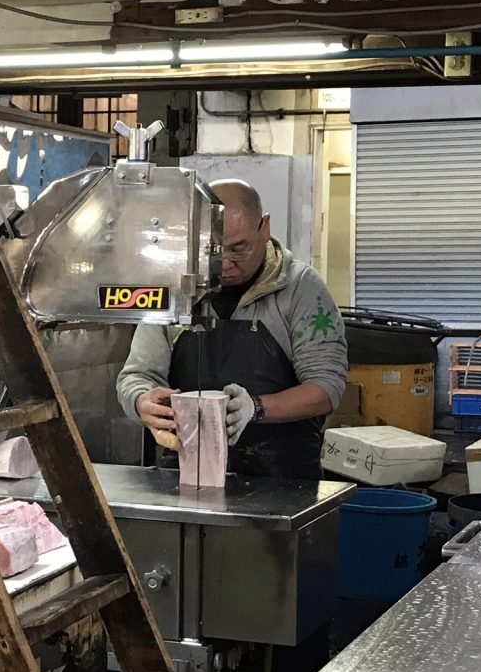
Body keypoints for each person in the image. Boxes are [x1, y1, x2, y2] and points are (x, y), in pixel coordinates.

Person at [116, 179, 348, 481]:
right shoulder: (176, 289)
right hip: (185, 473)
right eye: (211, 249)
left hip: (284, 482)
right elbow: (137, 375)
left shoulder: (301, 289)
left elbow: (326, 387)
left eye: (238, 248)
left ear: (264, 229)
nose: (224, 263)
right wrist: (140, 400)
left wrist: (256, 407)